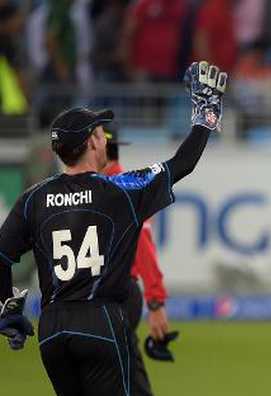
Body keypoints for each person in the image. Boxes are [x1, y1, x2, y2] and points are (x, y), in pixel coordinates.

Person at [0, 60, 227, 396]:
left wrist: (7, 310)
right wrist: (205, 117)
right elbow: (181, 164)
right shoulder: (120, 190)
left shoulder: (33, 199)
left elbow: (2, 255)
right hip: (100, 319)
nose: (104, 138)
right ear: (92, 142)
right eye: (99, 133)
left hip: (52, 329)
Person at [100, 124, 170, 396]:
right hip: (115, 293)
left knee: (114, 371)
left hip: (118, 292)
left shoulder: (120, 191)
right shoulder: (119, 186)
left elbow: (143, 247)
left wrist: (155, 301)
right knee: (121, 370)